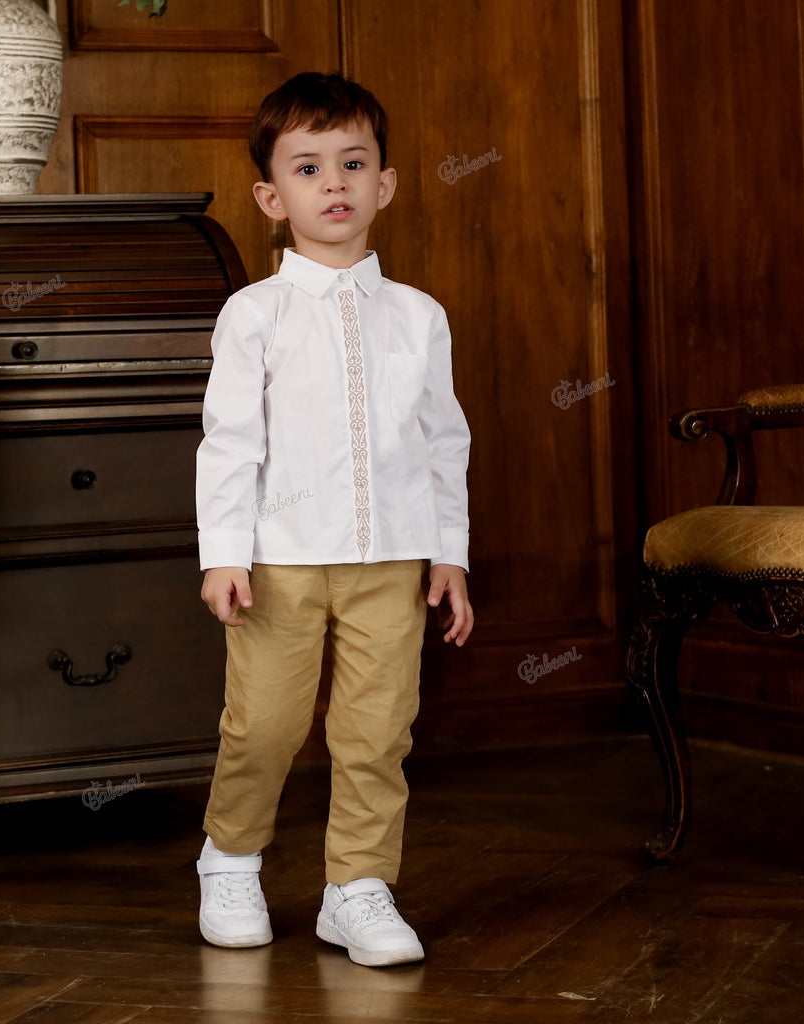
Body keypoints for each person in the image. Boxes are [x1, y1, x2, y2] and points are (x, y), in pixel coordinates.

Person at [194, 71, 473, 967]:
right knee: (264, 725)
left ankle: (357, 888)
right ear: (272, 198)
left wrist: (450, 554)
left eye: (353, 164)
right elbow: (229, 442)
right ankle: (230, 860)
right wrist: (223, 553)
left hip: (392, 561)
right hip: (278, 563)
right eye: (308, 169)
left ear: (385, 183)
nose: (335, 184)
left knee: (378, 731)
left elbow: (444, 442)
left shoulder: (419, 318)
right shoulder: (253, 315)